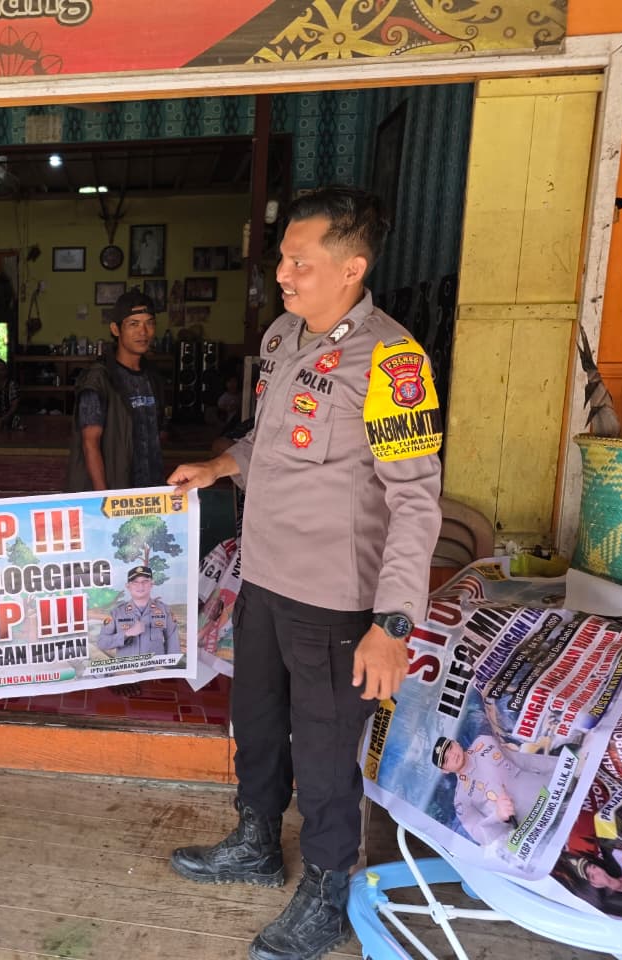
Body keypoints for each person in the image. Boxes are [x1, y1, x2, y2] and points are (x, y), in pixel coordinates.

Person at [166, 187, 444, 960]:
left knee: (324, 754)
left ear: (352, 267)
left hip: (333, 600)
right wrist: (220, 466)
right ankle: (256, 841)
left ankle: (327, 891)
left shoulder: (391, 362)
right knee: (255, 724)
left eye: (300, 262)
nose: (282, 274)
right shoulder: (282, 336)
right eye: (283, 258)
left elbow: (415, 499)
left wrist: (393, 623)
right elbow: (269, 439)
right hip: (263, 580)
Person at [66, 289, 165, 492]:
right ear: (115, 329)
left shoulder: (153, 376)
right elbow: (90, 443)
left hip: (149, 490)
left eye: (149, 323)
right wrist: (105, 498)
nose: (143, 332)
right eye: (133, 324)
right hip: (115, 490)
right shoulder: (99, 379)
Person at [432, 735, 560, 847]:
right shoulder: (461, 799)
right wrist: (498, 817)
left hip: (554, 792)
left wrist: (562, 766)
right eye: (446, 759)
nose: (452, 755)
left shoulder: (484, 742)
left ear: (456, 742)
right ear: (445, 770)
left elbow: (524, 760)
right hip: (538, 827)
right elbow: (480, 835)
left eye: (450, 748)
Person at [96, 565, 181, 658]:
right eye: (135, 582)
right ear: (128, 586)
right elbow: (102, 643)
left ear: (152, 584)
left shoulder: (165, 611)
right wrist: (126, 634)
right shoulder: (116, 613)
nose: (140, 586)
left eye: (145, 581)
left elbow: (174, 647)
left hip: (155, 666)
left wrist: (170, 666)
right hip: (128, 667)